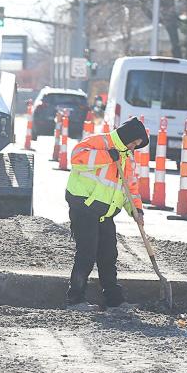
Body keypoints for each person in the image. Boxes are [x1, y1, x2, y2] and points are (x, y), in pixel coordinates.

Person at [64, 117, 150, 311]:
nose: (134, 147)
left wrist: (136, 209)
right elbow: (77, 158)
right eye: (134, 142)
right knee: (86, 253)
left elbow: (130, 187)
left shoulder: (127, 157)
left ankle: (114, 301)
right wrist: (108, 156)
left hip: (105, 212)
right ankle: (75, 299)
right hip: (84, 207)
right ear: (128, 135)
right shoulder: (100, 142)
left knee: (108, 255)